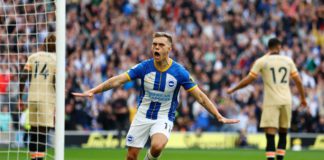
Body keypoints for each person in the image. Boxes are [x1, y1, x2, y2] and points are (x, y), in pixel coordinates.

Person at [73, 32, 239, 160]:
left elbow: (200, 97)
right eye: (154, 44)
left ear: (169, 49)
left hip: (164, 116)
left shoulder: (179, 72)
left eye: (161, 45)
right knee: (131, 156)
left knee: (157, 146)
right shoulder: (144, 67)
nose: (156, 48)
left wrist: (218, 116)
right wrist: (93, 91)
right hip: (142, 115)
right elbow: (118, 80)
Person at [227, 38, 307, 160]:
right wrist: (302, 98)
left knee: (270, 135)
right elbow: (298, 81)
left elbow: (249, 79)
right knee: (283, 133)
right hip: (286, 100)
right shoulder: (288, 60)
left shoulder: (262, 61)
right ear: (279, 47)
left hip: (271, 101)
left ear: (268, 48)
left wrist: (234, 88)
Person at [19, 34, 56, 160]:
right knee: (43, 133)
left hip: (32, 98)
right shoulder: (56, 59)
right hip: (47, 99)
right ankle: (39, 159)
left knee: (33, 131)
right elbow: (55, 80)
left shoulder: (33, 57)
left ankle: (33, 159)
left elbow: (23, 77)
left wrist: (20, 96)